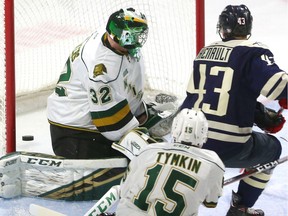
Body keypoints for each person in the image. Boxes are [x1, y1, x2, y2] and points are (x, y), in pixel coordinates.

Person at [181, 4, 287, 216]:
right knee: (273, 149)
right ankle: (241, 207)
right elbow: (281, 88)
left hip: (188, 139)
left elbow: (198, 96)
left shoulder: (205, 51)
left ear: (222, 27)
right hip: (226, 147)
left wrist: (256, 112)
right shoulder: (254, 52)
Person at [47, 8, 150, 159]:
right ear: (119, 35)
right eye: (131, 36)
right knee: (134, 163)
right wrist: (139, 135)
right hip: (77, 134)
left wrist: (140, 114)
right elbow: (109, 124)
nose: (136, 40)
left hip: (83, 122)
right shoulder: (101, 69)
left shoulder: (111, 37)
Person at [113, 108, 225, 215]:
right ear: (203, 134)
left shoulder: (148, 150)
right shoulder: (214, 163)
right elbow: (211, 203)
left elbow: (124, 190)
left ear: (174, 129)